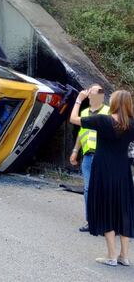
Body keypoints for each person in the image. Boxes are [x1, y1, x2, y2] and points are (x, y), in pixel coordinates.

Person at [70, 89, 134, 267]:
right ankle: (124, 256)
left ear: (114, 103)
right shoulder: (131, 124)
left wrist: (79, 100)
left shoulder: (103, 120)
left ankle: (112, 256)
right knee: (124, 210)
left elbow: (73, 119)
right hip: (123, 171)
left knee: (107, 208)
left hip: (103, 170)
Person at [69, 84, 109, 232]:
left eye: (98, 92)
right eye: (92, 92)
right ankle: (91, 220)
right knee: (88, 189)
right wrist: (75, 150)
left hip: (103, 157)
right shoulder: (85, 112)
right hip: (87, 157)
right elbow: (81, 132)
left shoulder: (108, 111)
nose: (94, 95)